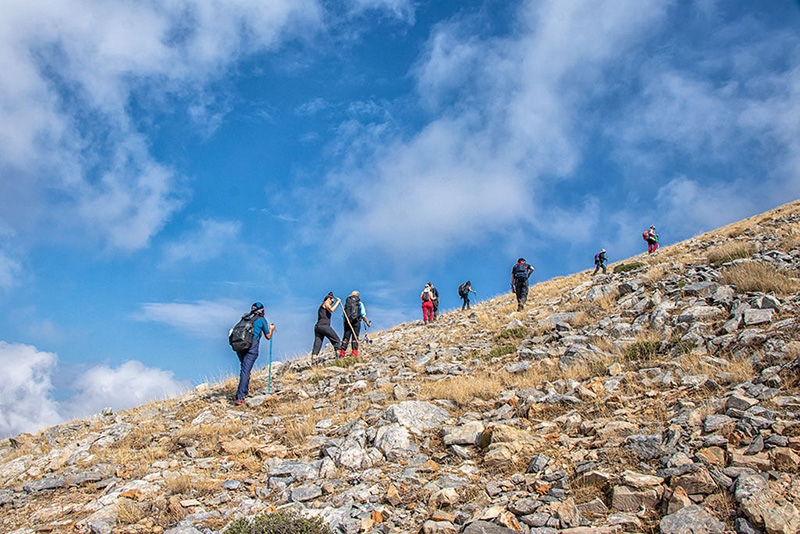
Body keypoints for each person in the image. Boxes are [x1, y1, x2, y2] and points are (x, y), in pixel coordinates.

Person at [234, 302, 275, 405]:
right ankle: (240, 396)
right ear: (262, 311)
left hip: (239, 345)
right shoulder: (261, 320)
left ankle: (244, 390)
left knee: (244, 368)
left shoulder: (245, 318)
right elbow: (268, 336)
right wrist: (271, 329)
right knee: (246, 370)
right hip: (251, 346)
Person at [340, 290, 372, 358]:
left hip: (347, 322)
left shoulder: (347, 303)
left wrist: (346, 322)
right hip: (356, 322)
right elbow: (363, 315)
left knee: (346, 337)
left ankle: (342, 353)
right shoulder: (359, 303)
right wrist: (367, 323)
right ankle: (354, 353)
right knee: (355, 337)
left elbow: (343, 315)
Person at [312, 292, 342, 359]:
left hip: (318, 327)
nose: (332, 303)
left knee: (318, 343)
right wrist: (338, 302)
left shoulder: (322, 306)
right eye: (332, 301)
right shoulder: (326, 303)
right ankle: (338, 357)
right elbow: (331, 309)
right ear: (329, 298)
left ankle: (314, 360)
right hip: (324, 326)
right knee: (336, 340)